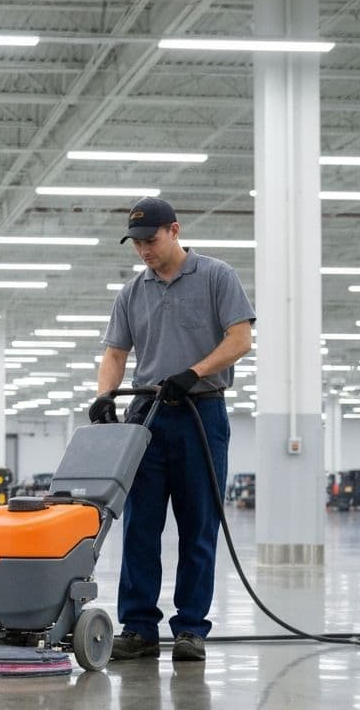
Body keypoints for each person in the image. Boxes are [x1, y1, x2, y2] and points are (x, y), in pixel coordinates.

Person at [89, 197, 254, 663]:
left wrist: (193, 372)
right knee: (140, 523)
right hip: (148, 414)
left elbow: (240, 338)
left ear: (175, 230)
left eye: (151, 239)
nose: (143, 250)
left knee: (198, 524)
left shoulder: (217, 276)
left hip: (201, 412)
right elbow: (116, 353)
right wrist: (105, 395)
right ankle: (138, 628)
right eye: (136, 243)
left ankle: (190, 630)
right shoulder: (131, 293)